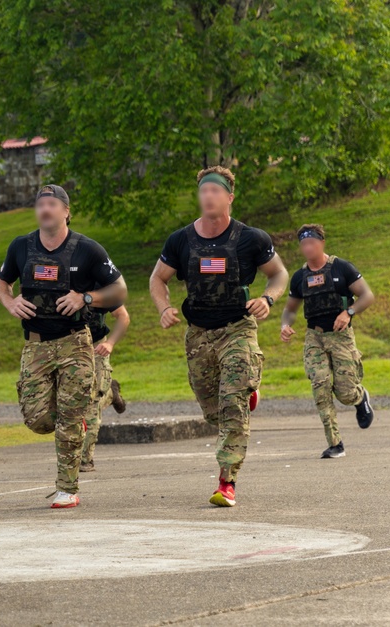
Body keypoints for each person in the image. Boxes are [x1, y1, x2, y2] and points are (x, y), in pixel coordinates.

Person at [149, 166, 287, 508]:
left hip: (237, 329)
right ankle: (248, 392)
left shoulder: (252, 238)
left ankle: (227, 482)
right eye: (203, 191)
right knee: (214, 411)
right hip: (198, 335)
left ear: (229, 197)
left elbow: (279, 274)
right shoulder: (180, 240)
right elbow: (158, 279)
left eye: (215, 191)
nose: (208, 196)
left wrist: (267, 299)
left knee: (232, 406)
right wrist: (163, 307)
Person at [0, 184, 127, 509]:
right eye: (41, 204)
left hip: (75, 343)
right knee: (36, 418)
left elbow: (119, 291)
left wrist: (86, 297)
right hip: (36, 346)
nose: (45, 209)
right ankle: (76, 420)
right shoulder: (21, 247)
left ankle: (67, 489)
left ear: (66, 211)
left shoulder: (87, 250)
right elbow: (1, 282)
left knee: (68, 419)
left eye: (52, 203)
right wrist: (10, 302)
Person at [280, 224, 375, 458]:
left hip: (341, 337)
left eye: (312, 243)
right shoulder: (300, 276)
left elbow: (367, 296)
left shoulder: (341, 268)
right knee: (320, 387)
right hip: (315, 337)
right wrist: (285, 324)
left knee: (344, 393)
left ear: (322, 242)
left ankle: (360, 397)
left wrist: (348, 313)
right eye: (303, 244)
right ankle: (335, 444)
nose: (308, 248)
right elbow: (290, 309)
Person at [80, 305, 130, 473]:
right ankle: (110, 394)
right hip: (63, 347)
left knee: (92, 401)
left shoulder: (99, 281)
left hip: (96, 345)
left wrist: (110, 343)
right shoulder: (57, 280)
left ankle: (85, 459)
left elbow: (122, 316)